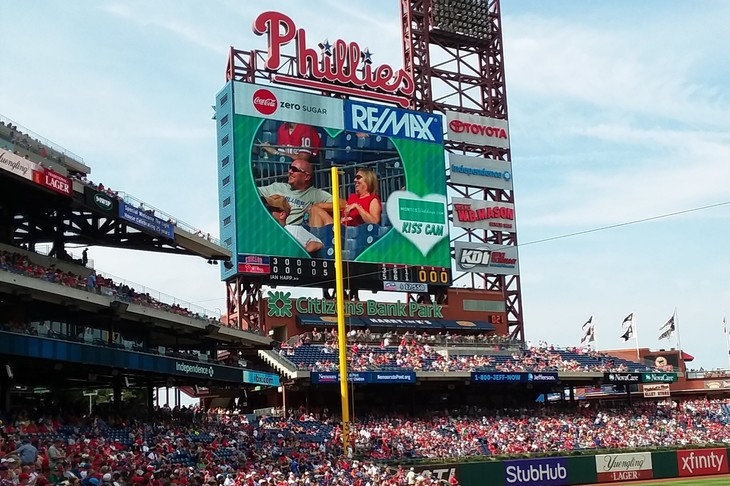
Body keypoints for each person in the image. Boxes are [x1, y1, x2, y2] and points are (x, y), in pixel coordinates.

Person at [258, 158, 333, 226]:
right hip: (271, 226)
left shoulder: (315, 194)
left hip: (294, 233)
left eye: (294, 169)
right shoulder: (277, 186)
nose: (290, 171)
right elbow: (252, 192)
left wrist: (316, 206)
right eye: (290, 168)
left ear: (307, 177)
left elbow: (341, 204)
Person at [309, 168, 381, 227]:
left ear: (368, 180)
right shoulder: (352, 197)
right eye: (355, 178)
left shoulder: (373, 199)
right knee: (315, 209)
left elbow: (374, 221)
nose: (355, 180)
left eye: (358, 178)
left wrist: (358, 207)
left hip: (357, 232)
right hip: (341, 228)